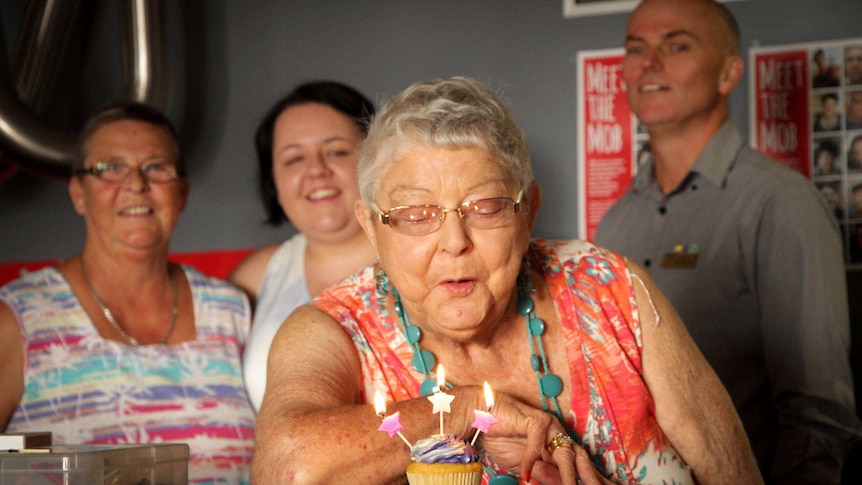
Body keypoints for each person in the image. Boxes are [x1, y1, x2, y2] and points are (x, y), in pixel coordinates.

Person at [252, 76, 762, 485]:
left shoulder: (613, 290)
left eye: (486, 207)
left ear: (529, 211)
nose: (455, 241)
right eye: (415, 213)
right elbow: (287, 469)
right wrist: (470, 406)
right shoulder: (331, 329)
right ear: (371, 225)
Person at [595, 1, 861, 483]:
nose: (650, 63)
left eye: (677, 45)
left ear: (728, 73)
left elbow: (819, 413)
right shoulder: (616, 222)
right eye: (637, 48)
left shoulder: (778, 203)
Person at [0, 102, 256, 484]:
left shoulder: (231, 310)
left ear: (182, 193)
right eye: (110, 168)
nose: (136, 184)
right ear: (79, 193)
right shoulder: (18, 317)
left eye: (156, 167)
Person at [228, 81, 378, 412]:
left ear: (377, 160)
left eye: (337, 151)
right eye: (294, 159)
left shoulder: (426, 253)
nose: (316, 171)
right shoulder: (255, 277)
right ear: (274, 182)